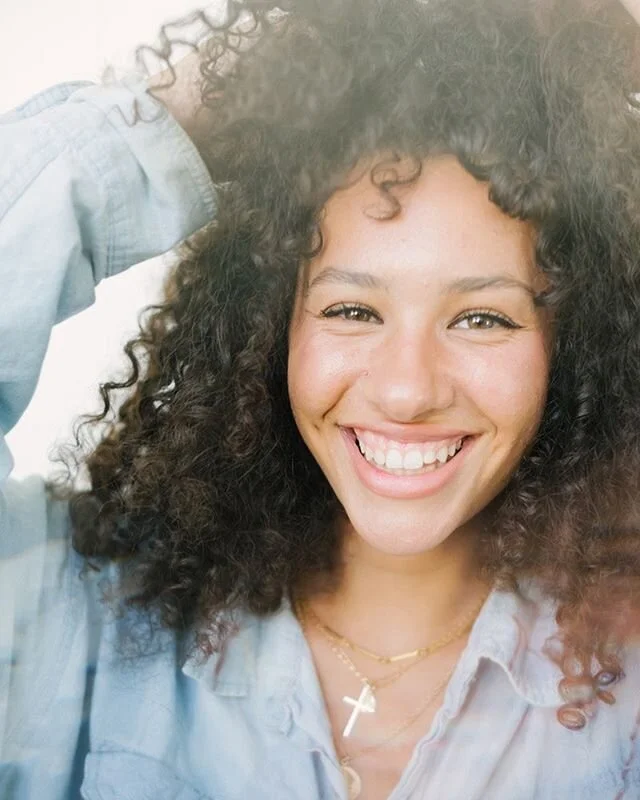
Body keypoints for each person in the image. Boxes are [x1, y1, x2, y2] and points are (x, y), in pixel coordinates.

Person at [1, 0, 640, 798]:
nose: (407, 390)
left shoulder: (622, 705)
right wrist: (252, 87)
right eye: (352, 310)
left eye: (482, 317)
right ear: (272, 328)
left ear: (576, 350)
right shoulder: (77, 619)